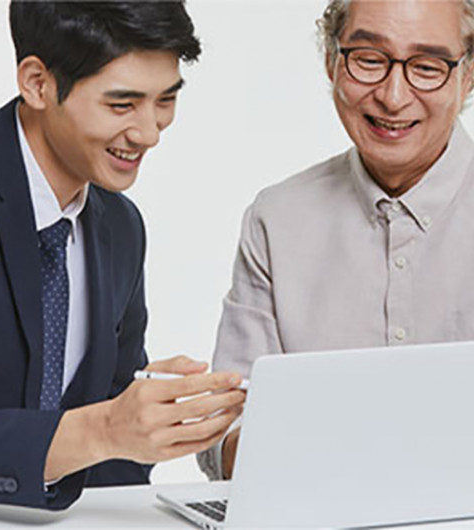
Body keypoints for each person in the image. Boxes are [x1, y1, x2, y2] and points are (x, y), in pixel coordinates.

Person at [198, 0, 474, 480]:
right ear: (331, 61)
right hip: (312, 508)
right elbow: (227, 431)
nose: (393, 97)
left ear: (467, 77)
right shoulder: (277, 219)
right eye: (368, 59)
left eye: (427, 67)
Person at [0, 0, 245, 511]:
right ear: (38, 83)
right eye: (122, 104)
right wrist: (104, 429)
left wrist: (148, 422)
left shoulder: (121, 226)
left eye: (165, 100)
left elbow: (114, 467)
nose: (149, 133)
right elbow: (100, 432)